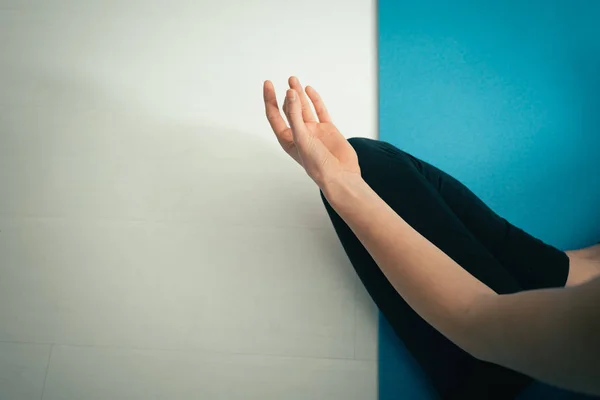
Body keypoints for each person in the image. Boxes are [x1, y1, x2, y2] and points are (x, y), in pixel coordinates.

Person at [263, 76, 600, 399]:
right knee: (369, 162)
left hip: (519, 367)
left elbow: (474, 319)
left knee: (358, 173)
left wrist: (343, 186)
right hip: (573, 295)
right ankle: (558, 277)